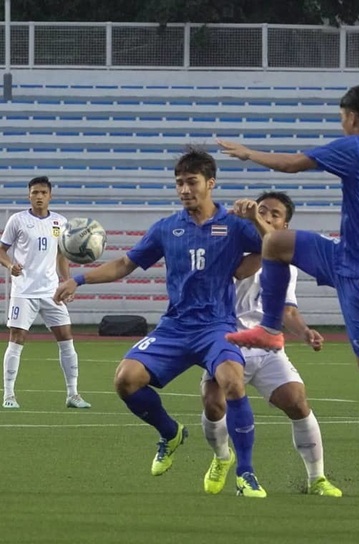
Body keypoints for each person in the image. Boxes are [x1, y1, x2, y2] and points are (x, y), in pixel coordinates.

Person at [217, 84, 359, 498]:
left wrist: (250, 154)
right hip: (345, 255)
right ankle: (270, 328)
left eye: (342, 116)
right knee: (276, 243)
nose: (341, 122)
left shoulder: (355, 148)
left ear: (352, 117)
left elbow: (291, 165)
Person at [54, 148, 271, 497]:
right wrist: (78, 279)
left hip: (217, 326)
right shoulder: (167, 228)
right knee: (126, 380)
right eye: (179, 183)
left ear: (210, 183)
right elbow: (125, 264)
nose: (184, 189)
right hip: (175, 327)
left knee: (232, 382)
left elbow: (272, 246)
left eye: (192, 182)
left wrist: (256, 222)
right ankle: (170, 433)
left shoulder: (233, 225)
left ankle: (246, 473)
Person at [200, 191, 342, 497]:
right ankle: (223, 457)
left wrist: (304, 331)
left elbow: (287, 310)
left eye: (274, 214)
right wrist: (256, 231)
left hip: (266, 347)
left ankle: (316, 478)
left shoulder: (286, 265)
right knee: (213, 405)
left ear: (286, 223)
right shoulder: (235, 247)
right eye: (262, 210)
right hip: (226, 341)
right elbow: (239, 271)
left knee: (296, 400)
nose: (267, 216)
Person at [0, 176, 91, 410]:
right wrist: (11, 266)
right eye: (34, 192)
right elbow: (2, 250)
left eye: (43, 192)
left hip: (52, 292)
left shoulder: (61, 222)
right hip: (24, 291)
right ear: (28, 195)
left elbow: (61, 256)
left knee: (67, 340)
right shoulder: (17, 220)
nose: (38, 196)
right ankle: (9, 395)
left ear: (50, 195)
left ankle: (73, 394)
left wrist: (67, 281)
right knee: (16, 340)